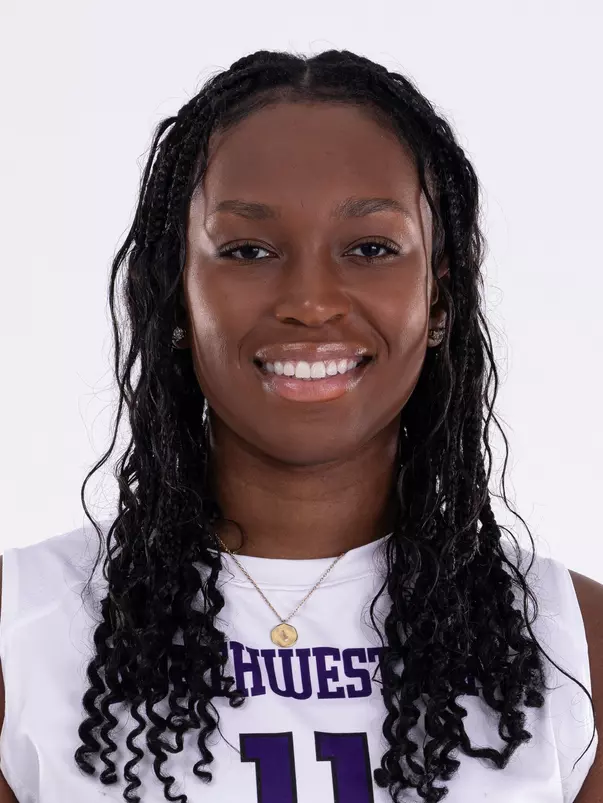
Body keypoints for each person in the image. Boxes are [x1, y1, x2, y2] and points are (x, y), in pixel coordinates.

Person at [0, 48, 600, 803]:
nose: (310, 300)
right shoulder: (20, 632)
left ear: (439, 299)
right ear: (175, 296)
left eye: (371, 248)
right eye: (247, 250)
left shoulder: (575, 646)